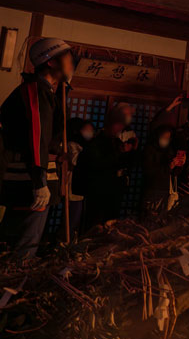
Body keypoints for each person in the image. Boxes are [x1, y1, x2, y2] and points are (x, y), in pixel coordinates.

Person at [0, 37, 73, 258]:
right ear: (51, 62)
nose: (71, 65)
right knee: (22, 245)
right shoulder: (33, 89)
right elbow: (36, 136)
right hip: (28, 178)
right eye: (67, 59)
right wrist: (39, 180)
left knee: (24, 239)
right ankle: (10, 289)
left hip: (36, 175)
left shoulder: (49, 92)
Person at [75, 109, 134, 231]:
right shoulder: (96, 142)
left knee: (111, 227)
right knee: (94, 227)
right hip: (98, 192)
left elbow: (124, 164)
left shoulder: (117, 142)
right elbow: (96, 164)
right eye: (118, 124)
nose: (120, 128)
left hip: (114, 192)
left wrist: (130, 152)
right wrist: (119, 154)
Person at [142, 124, 185, 220]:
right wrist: (169, 167)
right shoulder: (149, 150)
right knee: (150, 218)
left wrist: (179, 164)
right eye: (163, 137)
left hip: (165, 190)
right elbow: (150, 172)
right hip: (152, 190)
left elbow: (174, 173)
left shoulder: (168, 150)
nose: (165, 140)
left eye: (168, 138)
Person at [66, 117, 94, 238]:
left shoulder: (90, 145)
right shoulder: (72, 145)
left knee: (79, 220)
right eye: (86, 130)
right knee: (71, 219)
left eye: (91, 130)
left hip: (84, 186)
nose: (89, 133)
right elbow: (75, 161)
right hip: (73, 185)